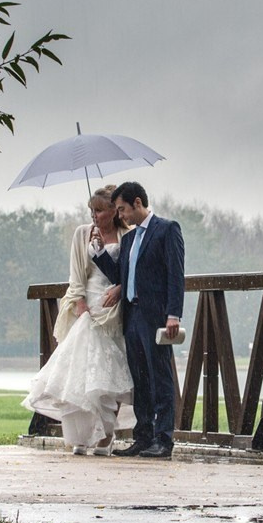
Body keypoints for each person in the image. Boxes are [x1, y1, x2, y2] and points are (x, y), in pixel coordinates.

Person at [22, 186, 134, 455]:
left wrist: (120, 289)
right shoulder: (82, 234)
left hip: (115, 308)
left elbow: (131, 272)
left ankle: (107, 434)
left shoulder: (128, 236)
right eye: (91, 210)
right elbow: (76, 275)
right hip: (89, 305)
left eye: (99, 210)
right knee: (81, 368)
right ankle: (81, 435)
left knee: (112, 370)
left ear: (113, 211)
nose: (94, 215)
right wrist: (80, 304)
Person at [93, 181, 185, 460]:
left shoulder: (167, 229)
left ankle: (164, 439)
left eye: (122, 209)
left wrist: (173, 314)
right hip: (131, 316)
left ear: (137, 203)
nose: (120, 215)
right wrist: (99, 253)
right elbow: (119, 276)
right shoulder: (129, 238)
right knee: (140, 380)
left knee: (160, 378)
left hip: (156, 316)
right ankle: (142, 438)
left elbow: (175, 275)